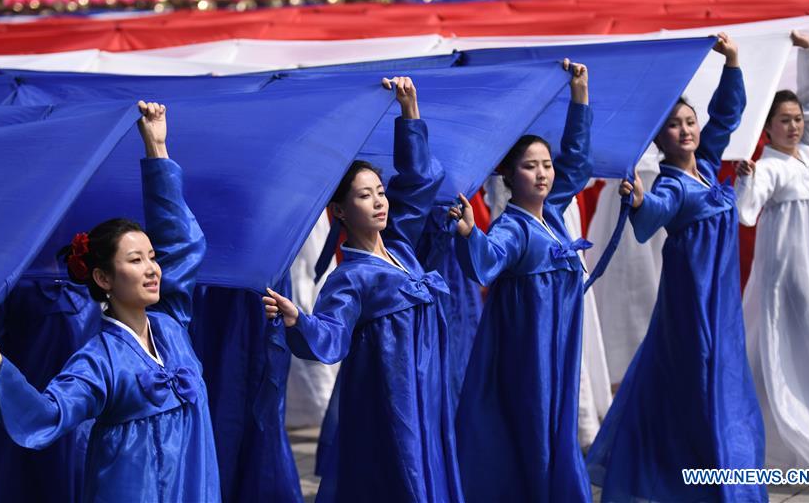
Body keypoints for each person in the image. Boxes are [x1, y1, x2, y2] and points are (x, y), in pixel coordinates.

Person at [0, 101, 220, 502]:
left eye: (152, 257)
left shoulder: (171, 322)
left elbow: (183, 244)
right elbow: (48, 416)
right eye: (136, 260)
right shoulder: (98, 359)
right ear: (103, 278)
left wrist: (157, 150)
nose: (152, 268)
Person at [264, 77, 463, 503]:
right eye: (364, 196)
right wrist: (299, 318)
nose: (379, 202)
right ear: (339, 211)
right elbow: (332, 336)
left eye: (379, 192)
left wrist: (408, 114)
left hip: (427, 387)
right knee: (402, 474)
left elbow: (418, 183)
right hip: (393, 396)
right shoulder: (348, 278)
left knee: (431, 464)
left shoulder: (401, 249)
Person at [587, 34, 767, 502]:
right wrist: (641, 200)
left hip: (721, 305)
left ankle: (722, 474)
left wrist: (732, 61)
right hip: (693, 307)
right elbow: (650, 219)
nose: (686, 130)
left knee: (722, 386)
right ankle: (706, 479)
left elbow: (727, 115)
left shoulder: (707, 166)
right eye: (674, 125)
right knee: (699, 386)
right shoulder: (671, 186)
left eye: (690, 121)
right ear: (658, 137)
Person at [447, 59, 593, 503]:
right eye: (531, 167)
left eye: (546, 165)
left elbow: (577, 161)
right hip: (529, 350)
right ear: (509, 176)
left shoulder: (550, 214)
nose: (544, 174)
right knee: (534, 420)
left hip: (560, 343)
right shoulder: (513, 228)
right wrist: (472, 233)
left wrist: (579, 96)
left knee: (555, 420)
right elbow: (486, 263)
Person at [735, 31, 809, 479]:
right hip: (784, 278)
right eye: (784, 120)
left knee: (808, 351)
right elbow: (745, 212)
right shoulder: (770, 168)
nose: (795, 126)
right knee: (788, 352)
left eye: (796, 119)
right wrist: (744, 177)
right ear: (768, 127)